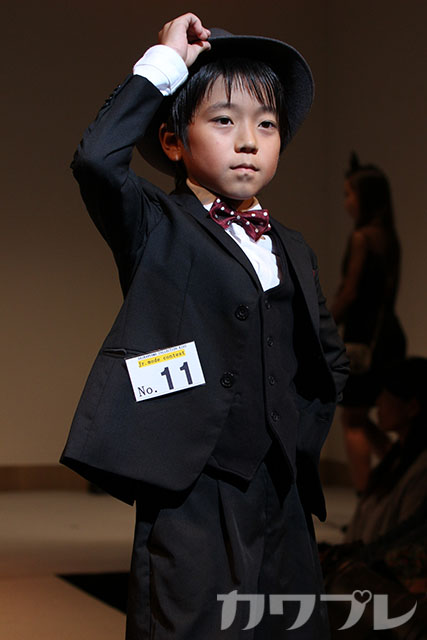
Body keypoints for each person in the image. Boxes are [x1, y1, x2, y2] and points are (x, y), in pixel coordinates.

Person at [60, 13, 348, 639]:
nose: (248, 141)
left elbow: (327, 358)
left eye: (266, 125)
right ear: (173, 141)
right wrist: (164, 64)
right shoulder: (156, 225)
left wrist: (293, 436)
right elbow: (97, 161)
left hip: (282, 488)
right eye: (223, 120)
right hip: (193, 488)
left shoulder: (292, 245)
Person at [331, 153, 406, 493]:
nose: (346, 202)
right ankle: (398, 471)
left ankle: (367, 499)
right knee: (364, 416)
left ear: (366, 198)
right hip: (389, 334)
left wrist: (324, 324)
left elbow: (349, 292)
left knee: (352, 419)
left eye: (350, 194)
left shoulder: (361, 238)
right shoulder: (389, 237)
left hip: (362, 340)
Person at [344, 357, 427, 544]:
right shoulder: (398, 458)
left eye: (385, 394)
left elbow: (404, 542)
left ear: (412, 407)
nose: (378, 402)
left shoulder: (420, 470)